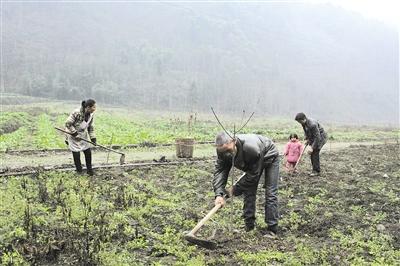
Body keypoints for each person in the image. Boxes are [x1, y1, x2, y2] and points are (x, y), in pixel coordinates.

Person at [213, 132, 279, 237]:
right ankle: (249, 226)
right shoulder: (222, 151)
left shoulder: (251, 149)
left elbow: (253, 176)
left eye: (229, 150)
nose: (227, 154)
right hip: (251, 162)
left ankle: (272, 228)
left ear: (234, 141)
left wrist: (234, 190)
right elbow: (220, 171)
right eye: (223, 152)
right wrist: (219, 194)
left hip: (268, 154)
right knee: (249, 191)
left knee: (270, 193)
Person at [65, 99, 97, 176]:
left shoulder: (91, 115)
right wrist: (75, 134)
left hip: (82, 134)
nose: (95, 109)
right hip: (72, 133)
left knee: (87, 152)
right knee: (76, 152)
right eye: (94, 107)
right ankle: (79, 170)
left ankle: (89, 170)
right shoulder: (77, 112)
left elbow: (90, 127)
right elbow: (68, 123)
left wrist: (93, 138)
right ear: (88, 107)